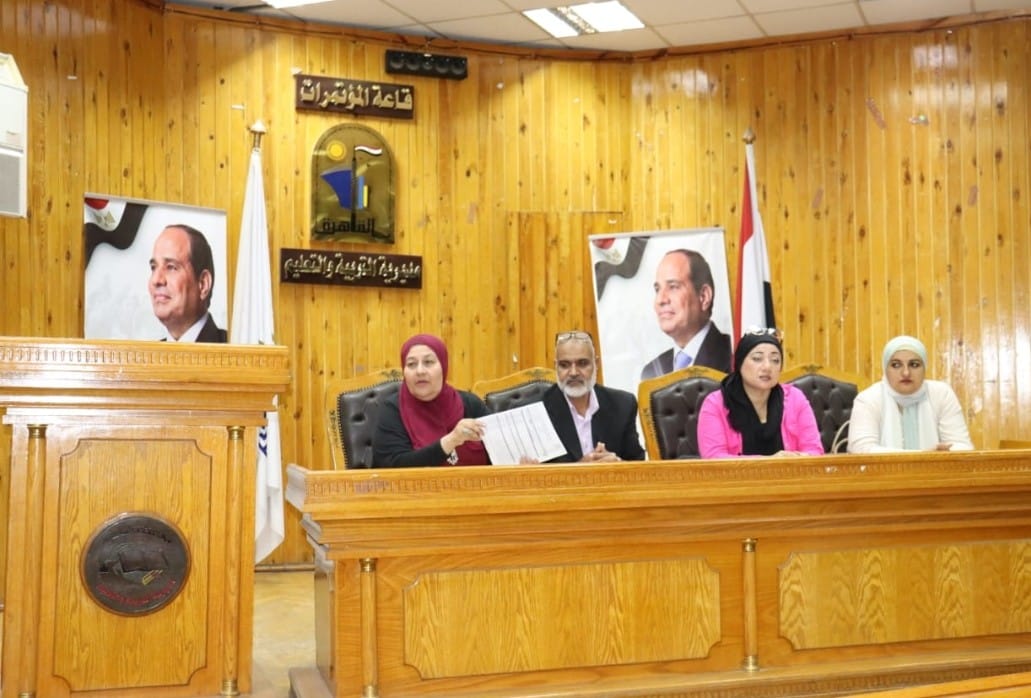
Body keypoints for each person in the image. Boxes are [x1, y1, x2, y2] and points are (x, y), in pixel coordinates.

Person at [697, 330, 823, 458]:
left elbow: (815, 450)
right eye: (757, 359)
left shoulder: (795, 399)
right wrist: (770, 462)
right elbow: (714, 458)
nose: (767, 367)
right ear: (739, 363)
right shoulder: (716, 404)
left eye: (775, 360)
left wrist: (797, 458)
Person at [373, 333, 491, 467]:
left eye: (428, 362)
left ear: (444, 367)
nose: (420, 371)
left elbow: (499, 452)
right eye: (411, 364)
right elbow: (393, 466)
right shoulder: (392, 410)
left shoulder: (470, 404)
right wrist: (451, 441)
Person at [847, 336, 974, 453]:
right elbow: (861, 449)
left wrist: (939, 455)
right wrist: (925, 457)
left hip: (935, 470)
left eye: (914, 365)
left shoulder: (941, 394)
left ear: (925, 368)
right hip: (882, 472)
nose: (906, 373)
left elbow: (963, 446)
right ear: (885, 368)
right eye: (896, 365)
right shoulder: (868, 399)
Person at [537, 331, 645, 463]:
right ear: (556, 367)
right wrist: (582, 469)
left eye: (582, 363)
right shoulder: (538, 411)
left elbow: (637, 463)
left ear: (596, 364)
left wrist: (617, 464)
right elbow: (535, 472)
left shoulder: (623, 405)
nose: (573, 373)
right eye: (564, 365)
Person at [641, 248, 732, 379]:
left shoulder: (735, 357)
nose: (660, 300)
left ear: (704, 296)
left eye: (673, 287)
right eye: (657, 289)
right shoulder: (651, 372)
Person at [148, 224, 226, 342]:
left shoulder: (237, 347)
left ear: (203, 284)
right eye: (153, 267)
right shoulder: (145, 353)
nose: (156, 280)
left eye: (171, 267)